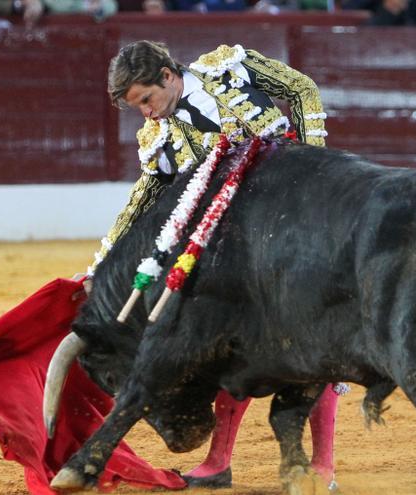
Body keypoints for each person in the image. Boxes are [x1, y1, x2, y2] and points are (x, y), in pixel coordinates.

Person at [98, 40, 338, 490]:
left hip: (297, 225)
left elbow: (302, 89)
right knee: (232, 347)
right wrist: (102, 263)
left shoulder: (229, 69)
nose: (146, 114)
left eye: (147, 100)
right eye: (137, 108)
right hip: (238, 249)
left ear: (167, 76)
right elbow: (142, 203)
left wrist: (314, 167)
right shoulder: (158, 138)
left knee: (313, 341)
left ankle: (323, 464)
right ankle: (218, 461)